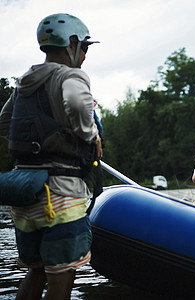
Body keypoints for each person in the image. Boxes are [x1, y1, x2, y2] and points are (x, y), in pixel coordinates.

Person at [0, 13, 101, 299]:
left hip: (24, 195)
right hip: (61, 194)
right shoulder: (72, 75)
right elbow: (78, 105)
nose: (84, 55)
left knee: (37, 269)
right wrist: (90, 135)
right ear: (72, 43)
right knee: (62, 275)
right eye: (85, 47)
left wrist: (37, 144)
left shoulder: (24, 82)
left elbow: (3, 123)